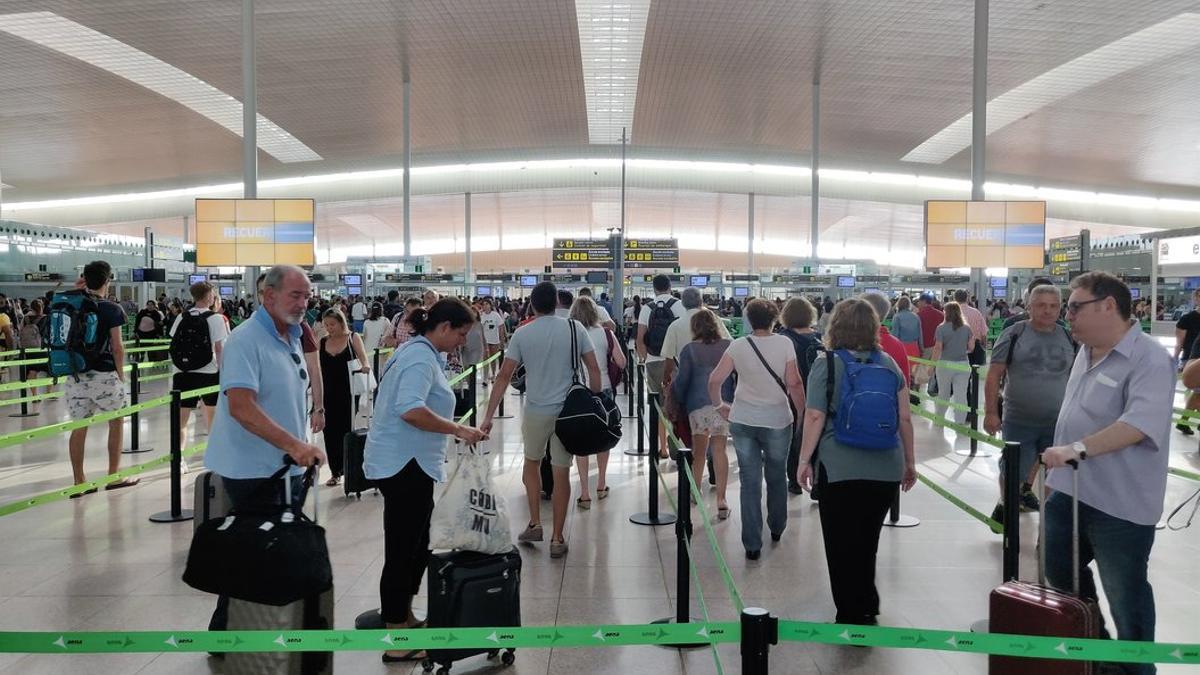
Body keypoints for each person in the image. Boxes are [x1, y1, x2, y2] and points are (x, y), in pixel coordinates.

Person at [1040, 272, 1172, 673]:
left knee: (1126, 594)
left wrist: (1076, 449)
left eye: (1075, 307)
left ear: (1108, 306)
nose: (1068, 316)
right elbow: (1073, 416)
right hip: (1070, 491)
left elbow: (1138, 425)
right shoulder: (1086, 350)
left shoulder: (1150, 358)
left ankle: (1135, 668)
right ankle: (1096, 657)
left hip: (1121, 505)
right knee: (1062, 579)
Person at [204, 265, 326, 633]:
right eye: (296, 295)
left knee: (265, 548)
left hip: (282, 466)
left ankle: (243, 627)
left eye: (307, 296)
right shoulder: (246, 340)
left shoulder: (288, 334)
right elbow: (241, 406)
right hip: (252, 470)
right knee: (255, 549)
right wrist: (295, 445)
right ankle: (229, 632)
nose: (304, 303)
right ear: (268, 295)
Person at [364, 298, 486, 663]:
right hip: (404, 465)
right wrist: (458, 429)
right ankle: (397, 637)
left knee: (417, 546)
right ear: (444, 327)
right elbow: (410, 409)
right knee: (403, 550)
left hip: (410, 463)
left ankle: (402, 616)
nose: (463, 341)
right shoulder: (419, 358)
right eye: (461, 333)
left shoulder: (420, 352)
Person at [796, 298, 916, 625]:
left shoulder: (827, 363)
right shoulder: (889, 363)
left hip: (839, 466)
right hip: (886, 466)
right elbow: (905, 418)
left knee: (840, 542)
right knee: (868, 540)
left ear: (835, 326)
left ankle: (850, 613)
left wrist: (804, 460)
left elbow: (815, 415)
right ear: (874, 327)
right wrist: (910, 463)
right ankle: (868, 603)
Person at [479, 282, 602, 559]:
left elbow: (503, 376)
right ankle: (558, 538)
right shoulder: (575, 328)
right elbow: (594, 369)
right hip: (568, 412)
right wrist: (596, 401)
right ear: (558, 302)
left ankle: (535, 523)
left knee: (531, 464)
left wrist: (488, 417)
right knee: (561, 472)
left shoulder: (523, 333)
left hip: (536, 410)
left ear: (532, 305)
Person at [707, 299, 806, 559]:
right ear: (775, 319)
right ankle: (777, 526)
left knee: (749, 482)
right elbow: (794, 383)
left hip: (743, 419)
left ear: (748, 319)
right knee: (776, 475)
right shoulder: (785, 344)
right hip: (777, 420)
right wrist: (803, 412)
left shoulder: (738, 345)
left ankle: (752, 544)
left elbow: (715, 379)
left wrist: (719, 405)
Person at [983, 283, 1075, 528]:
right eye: (1041, 305)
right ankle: (1008, 506)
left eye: (1054, 306)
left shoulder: (1068, 336)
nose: (1048, 311)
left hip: (1058, 422)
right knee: (1013, 468)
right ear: (1029, 307)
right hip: (1019, 419)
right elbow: (994, 375)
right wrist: (991, 412)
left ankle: (1049, 528)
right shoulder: (1014, 334)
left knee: (1055, 476)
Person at [63, 261, 140, 494]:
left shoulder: (70, 302)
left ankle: (79, 481)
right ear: (108, 280)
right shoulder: (112, 309)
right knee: (116, 422)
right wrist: (120, 374)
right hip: (104, 375)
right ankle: (114, 475)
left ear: (84, 278)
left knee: (79, 427)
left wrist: (77, 288)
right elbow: (117, 347)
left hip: (76, 375)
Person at [671, 309, 733, 518]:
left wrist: (675, 399)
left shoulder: (690, 350)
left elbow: (682, 382)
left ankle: (695, 491)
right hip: (723, 405)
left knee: (699, 452)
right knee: (720, 449)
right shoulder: (728, 347)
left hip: (697, 407)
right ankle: (721, 500)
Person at [568, 296, 624, 510]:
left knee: (580, 441)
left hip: (578, 392)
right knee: (603, 436)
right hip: (604, 390)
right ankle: (601, 483)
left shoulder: (570, 333)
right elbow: (621, 362)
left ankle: (584, 493)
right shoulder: (606, 333)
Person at [169, 282, 229, 452]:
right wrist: (223, 373)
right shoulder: (216, 318)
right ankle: (215, 455)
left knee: (181, 421)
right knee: (212, 419)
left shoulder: (182, 317)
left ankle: (178, 460)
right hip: (208, 373)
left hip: (182, 373)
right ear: (210, 296)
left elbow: (174, 341)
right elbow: (219, 350)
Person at [318, 308, 371, 486]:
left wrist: (365, 366)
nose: (329, 328)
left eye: (332, 324)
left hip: (348, 392)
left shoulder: (352, 338)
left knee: (345, 428)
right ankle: (335, 471)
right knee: (329, 431)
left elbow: (364, 359)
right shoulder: (323, 342)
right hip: (327, 393)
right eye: (326, 325)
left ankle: (347, 467)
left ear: (341, 322)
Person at [637, 275, 687, 459]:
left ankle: (663, 448)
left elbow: (640, 339)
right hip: (675, 362)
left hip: (653, 361)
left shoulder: (647, 308)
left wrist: (645, 358)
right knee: (676, 405)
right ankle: (677, 446)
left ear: (654, 288)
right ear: (670, 286)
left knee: (659, 406)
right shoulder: (680, 306)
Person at [929, 302, 975, 424]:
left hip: (945, 365)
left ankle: (939, 420)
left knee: (943, 393)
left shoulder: (941, 328)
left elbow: (938, 348)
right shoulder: (967, 328)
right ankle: (959, 421)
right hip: (963, 364)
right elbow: (971, 348)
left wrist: (932, 365)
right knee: (961, 395)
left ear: (946, 313)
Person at [1172, 289, 1200, 436]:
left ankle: (1183, 421)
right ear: (1195, 299)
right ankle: (1184, 421)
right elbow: (1179, 342)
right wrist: (1175, 359)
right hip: (1191, 357)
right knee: (1197, 393)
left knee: (1197, 395)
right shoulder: (1187, 318)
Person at [914, 293, 944, 390]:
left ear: (923, 302)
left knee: (920, 370)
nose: (918, 304)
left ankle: (917, 392)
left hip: (925, 346)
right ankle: (935, 390)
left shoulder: (918, 315)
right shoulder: (941, 315)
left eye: (919, 301)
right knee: (937, 370)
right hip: (938, 346)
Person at [954, 290, 987, 366]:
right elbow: (984, 333)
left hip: (956, 348)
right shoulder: (976, 312)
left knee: (958, 373)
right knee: (974, 372)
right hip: (975, 347)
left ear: (954, 299)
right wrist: (984, 347)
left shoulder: (951, 313)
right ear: (967, 298)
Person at [479, 298, 507, 383]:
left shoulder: (495, 315)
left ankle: (494, 374)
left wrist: (501, 340)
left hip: (494, 340)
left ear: (490, 305)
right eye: (483, 304)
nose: (485, 306)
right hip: (485, 341)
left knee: (493, 358)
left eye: (487, 304)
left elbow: (501, 327)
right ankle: (485, 377)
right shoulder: (481, 315)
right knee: (485, 359)